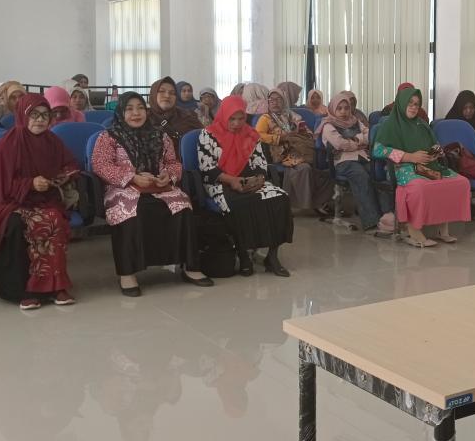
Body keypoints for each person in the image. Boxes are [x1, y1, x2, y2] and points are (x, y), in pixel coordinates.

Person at [0, 93, 80, 310]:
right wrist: (29, 184)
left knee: (55, 218)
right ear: (23, 116)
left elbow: (70, 163)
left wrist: (63, 176)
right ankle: (22, 289)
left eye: (45, 115)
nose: (40, 120)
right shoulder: (7, 145)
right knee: (17, 224)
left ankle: (55, 286)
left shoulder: (52, 141)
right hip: (9, 203)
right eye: (34, 115)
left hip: (44, 200)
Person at [91, 92, 212, 296]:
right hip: (123, 187)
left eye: (140, 108)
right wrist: (132, 177)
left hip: (158, 186)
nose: (136, 113)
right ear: (120, 112)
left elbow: (173, 163)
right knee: (130, 212)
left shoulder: (160, 135)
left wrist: (168, 176)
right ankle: (127, 273)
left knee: (182, 206)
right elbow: (101, 165)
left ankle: (190, 267)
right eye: (130, 109)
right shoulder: (108, 137)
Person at [198, 96, 294, 277]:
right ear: (223, 115)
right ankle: (243, 255)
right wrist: (232, 181)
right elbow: (207, 168)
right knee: (239, 204)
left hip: (250, 180)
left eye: (241, 118)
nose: (236, 124)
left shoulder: (251, 134)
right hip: (221, 182)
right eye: (232, 119)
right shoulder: (208, 134)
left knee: (280, 198)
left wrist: (259, 178)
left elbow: (260, 161)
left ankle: (272, 256)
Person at [373, 87, 470, 246]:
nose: (413, 107)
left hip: (429, 166)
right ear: (402, 103)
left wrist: (435, 153)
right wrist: (409, 156)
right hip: (403, 168)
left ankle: (442, 228)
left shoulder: (422, 124)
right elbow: (377, 150)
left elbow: (435, 144)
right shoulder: (390, 124)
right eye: (410, 103)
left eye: (417, 104)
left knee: (461, 183)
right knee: (419, 187)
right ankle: (413, 230)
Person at [320, 92, 394, 232]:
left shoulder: (355, 121)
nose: (343, 112)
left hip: (362, 157)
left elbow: (369, 135)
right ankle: (371, 221)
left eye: (346, 108)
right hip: (343, 161)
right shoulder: (328, 125)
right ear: (333, 109)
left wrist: (356, 139)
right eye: (339, 108)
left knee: (378, 175)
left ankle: (387, 218)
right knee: (361, 177)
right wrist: (358, 143)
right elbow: (339, 144)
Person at [256, 87, 333, 212]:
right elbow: (258, 135)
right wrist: (278, 138)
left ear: (284, 101)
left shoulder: (291, 115)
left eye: (278, 99)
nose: (275, 103)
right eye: (272, 100)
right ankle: (309, 202)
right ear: (268, 102)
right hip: (282, 151)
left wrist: (301, 132)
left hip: (300, 148)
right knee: (304, 169)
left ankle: (315, 201)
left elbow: (307, 132)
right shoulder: (265, 118)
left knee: (324, 173)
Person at [148, 77, 203, 154]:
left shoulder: (187, 116)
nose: (167, 95)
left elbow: (203, 140)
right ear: (153, 94)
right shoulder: (144, 118)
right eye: (162, 91)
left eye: (172, 93)